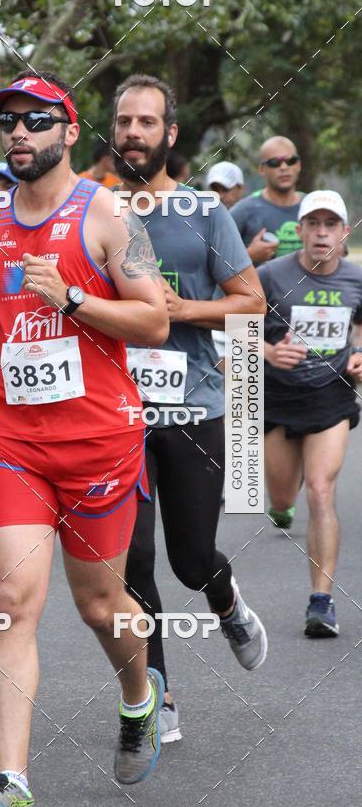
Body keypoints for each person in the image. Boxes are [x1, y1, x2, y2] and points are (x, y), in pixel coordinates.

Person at [0, 70, 170, 807]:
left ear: (70, 132)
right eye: (8, 121)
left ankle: (139, 697)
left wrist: (74, 300)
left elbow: (155, 323)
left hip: (99, 442)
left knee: (101, 607)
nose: (19, 133)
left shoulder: (108, 214)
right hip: (10, 439)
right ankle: (11, 783)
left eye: (36, 120)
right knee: (11, 604)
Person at [110, 74, 268, 743]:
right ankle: (159, 696)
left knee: (190, 556)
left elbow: (251, 301)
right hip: (119, 414)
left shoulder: (204, 212)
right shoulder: (99, 212)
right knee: (134, 559)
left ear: (169, 135)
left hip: (194, 405)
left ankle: (226, 602)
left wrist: (183, 310)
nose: (133, 133)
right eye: (123, 123)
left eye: (147, 122)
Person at [259, 190, 362, 637]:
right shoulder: (268, 276)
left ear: (344, 231)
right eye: (313, 224)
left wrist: (359, 353)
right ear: (298, 230)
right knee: (283, 498)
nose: (322, 233)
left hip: (330, 400)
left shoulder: (356, 279)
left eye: (331, 225)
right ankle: (282, 504)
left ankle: (321, 601)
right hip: (279, 402)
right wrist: (267, 352)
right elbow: (231, 330)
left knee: (321, 490)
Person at [230, 136, 304, 264]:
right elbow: (216, 260)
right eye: (275, 162)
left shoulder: (314, 207)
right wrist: (249, 256)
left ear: (298, 165)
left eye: (290, 161)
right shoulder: (243, 211)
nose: (284, 167)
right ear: (262, 169)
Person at [206, 162, 246, 369]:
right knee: (219, 385)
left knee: (243, 394)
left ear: (240, 189)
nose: (221, 195)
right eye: (215, 189)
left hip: (245, 316)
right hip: (213, 315)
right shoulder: (203, 219)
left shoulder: (249, 214)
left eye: (226, 189)